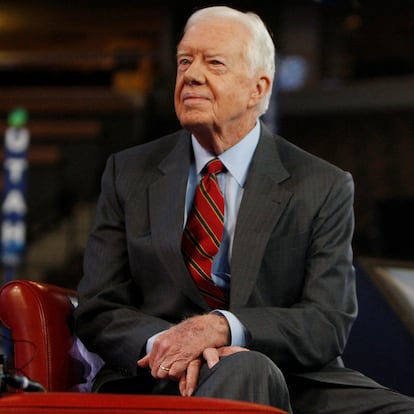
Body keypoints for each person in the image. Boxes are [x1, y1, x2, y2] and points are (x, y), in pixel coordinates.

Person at [74, 5, 414, 413]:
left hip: (293, 374)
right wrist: (167, 345)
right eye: (185, 61)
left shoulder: (322, 184)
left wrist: (224, 329)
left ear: (258, 88)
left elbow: (327, 321)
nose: (191, 75)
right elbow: (99, 307)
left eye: (213, 63)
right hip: (156, 376)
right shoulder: (128, 173)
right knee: (245, 373)